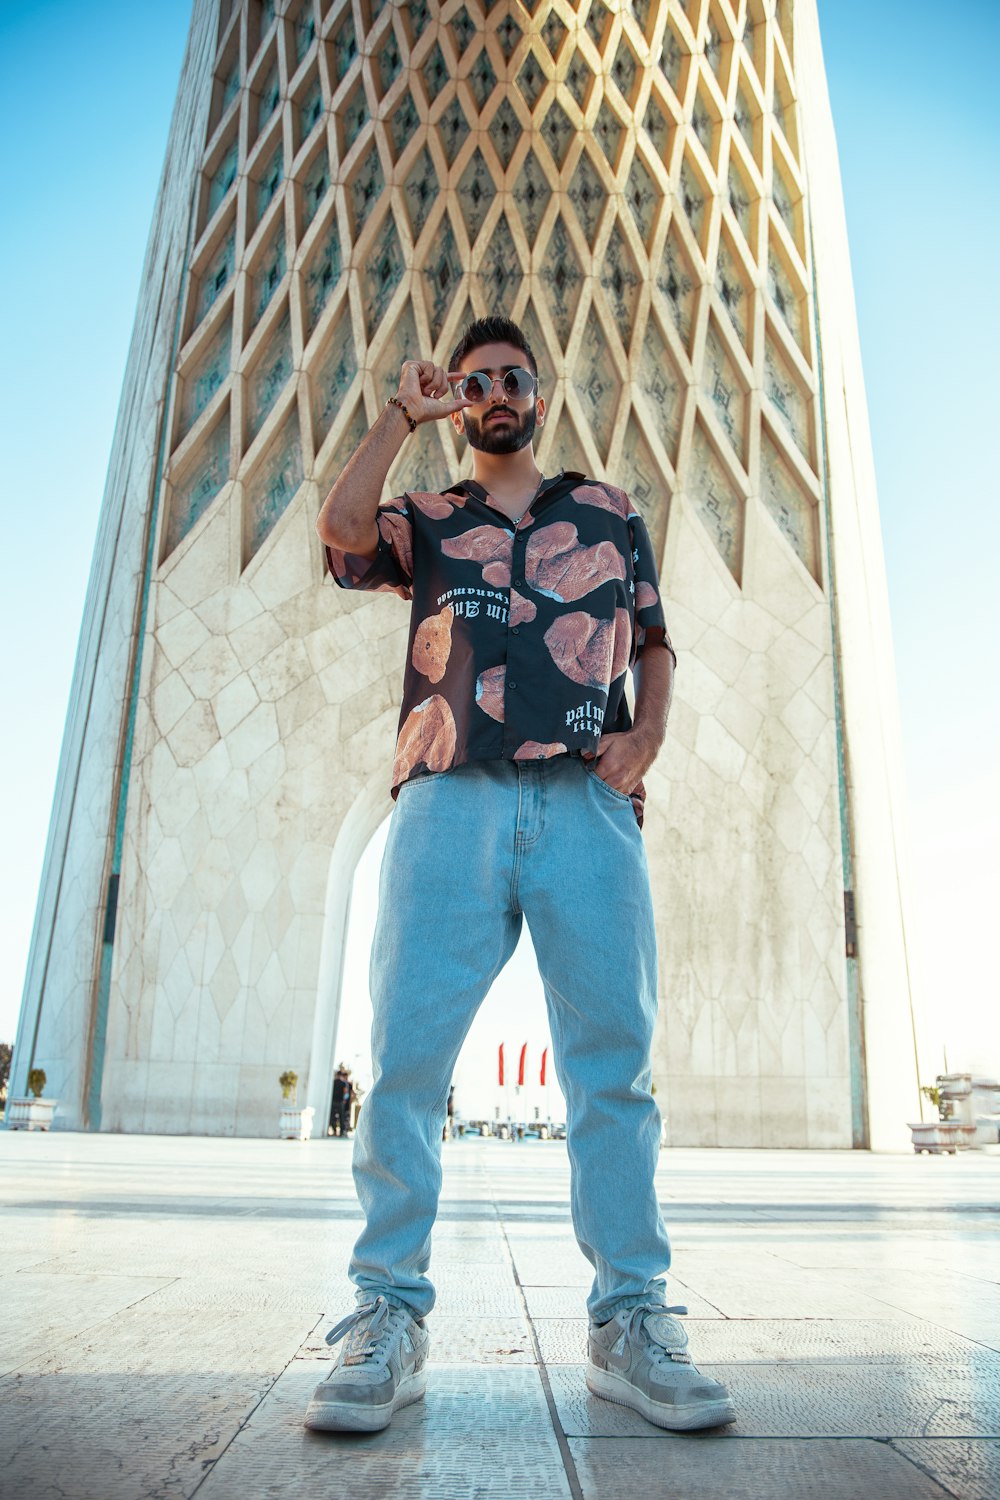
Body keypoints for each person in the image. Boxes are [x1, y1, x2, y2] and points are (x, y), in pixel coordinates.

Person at [305, 315, 735, 1436]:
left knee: (613, 1069)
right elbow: (344, 535)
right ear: (461, 393)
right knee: (404, 1061)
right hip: (449, 795)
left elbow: (651, 636)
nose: (497, 392)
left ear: (540, 394)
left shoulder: (606, 510)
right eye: (478, 380)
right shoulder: (431, 519)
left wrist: (647, 737)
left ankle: (628, 1319)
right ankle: (386, 1314)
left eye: (514, 378)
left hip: (586, 802)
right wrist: (402, 416)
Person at [329, 1065, 353, 1138]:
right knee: (341, 1117)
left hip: (333, 1102)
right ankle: (342, 1132)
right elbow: (346, 1093)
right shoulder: (344, 1083)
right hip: (340, 1103)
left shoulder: (332, 1082)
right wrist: (344, 1101)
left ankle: (334, 1130)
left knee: (332, 1117)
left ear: (336, 1075)